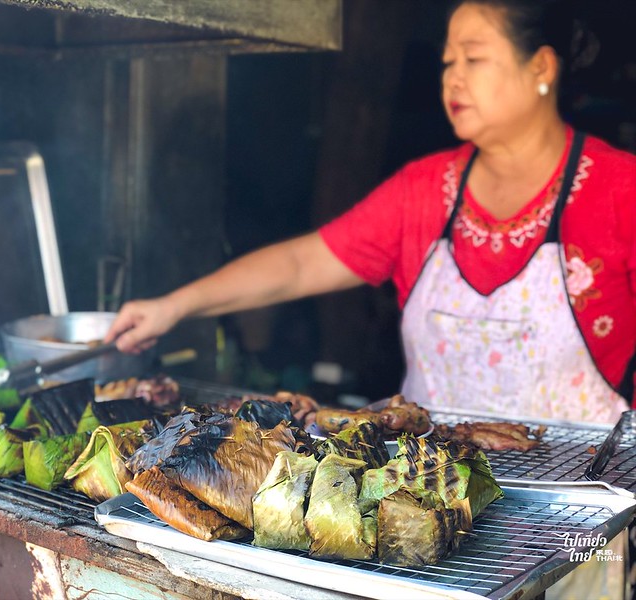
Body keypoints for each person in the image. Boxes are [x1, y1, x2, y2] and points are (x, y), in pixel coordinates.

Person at [106, 3, 634, 595]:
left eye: (474, 58)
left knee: (581, 584)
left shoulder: (620, 190)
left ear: (541, 66)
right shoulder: (423, 192)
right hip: (426, 502)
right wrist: (174, 306)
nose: (452, 77)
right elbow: (302, 262)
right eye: (447, 61)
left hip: (581, 521)